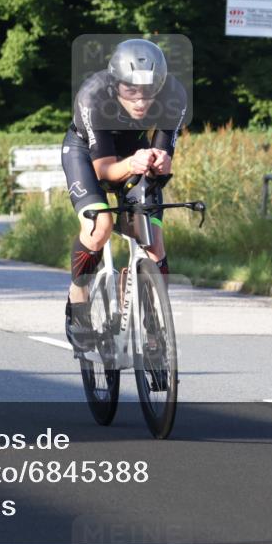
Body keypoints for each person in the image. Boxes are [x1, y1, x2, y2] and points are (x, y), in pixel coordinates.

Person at [61, 39, 188, 353]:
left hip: (134, 149)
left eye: (149, 91)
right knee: (100, 227)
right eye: (131, 90)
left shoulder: (174, 95)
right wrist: (132, 163)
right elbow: (103, 170)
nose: (141, 100)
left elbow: (163, 150)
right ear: (116, 83)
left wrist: (160, 161)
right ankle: (78, 296)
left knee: (154, 244)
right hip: (87, 154)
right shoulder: (92, 95)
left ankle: (155, 329)